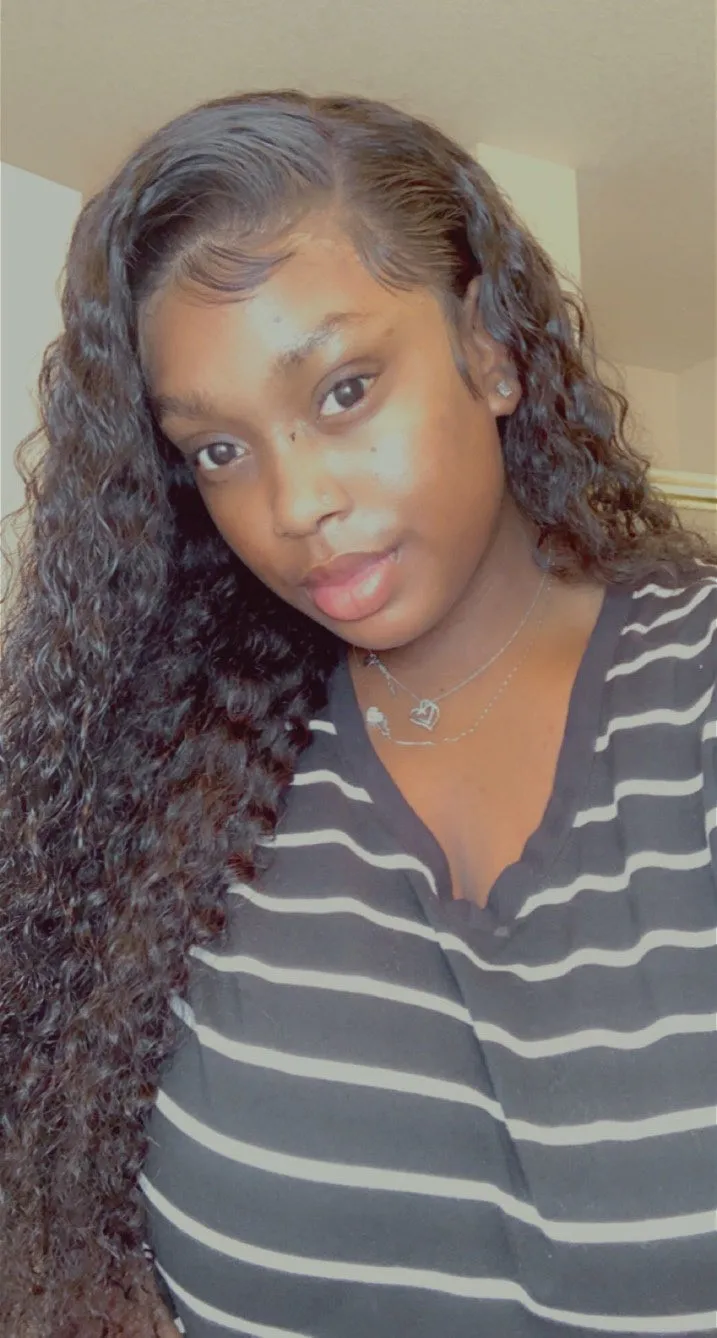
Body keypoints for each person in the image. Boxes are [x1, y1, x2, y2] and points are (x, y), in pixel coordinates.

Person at [1, 89, 716, 1338]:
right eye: (219, 450)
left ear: (490, 349)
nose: (294, 506)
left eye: (343, 391)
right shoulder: (181, 790)